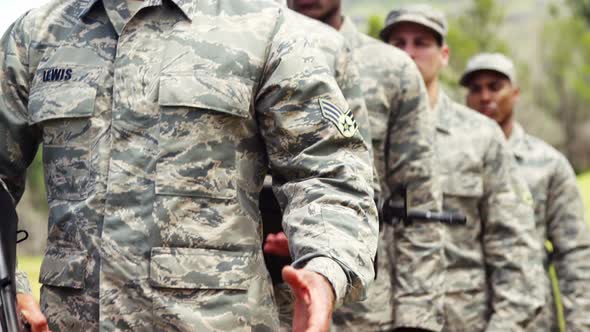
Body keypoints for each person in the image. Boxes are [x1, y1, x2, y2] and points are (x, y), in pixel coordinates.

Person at [0, 0, 379, 331]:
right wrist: (9, 288)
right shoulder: (37, 36)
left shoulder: (263, 29)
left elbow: (330, 170)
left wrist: (325, 267)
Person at [263, 1, 444, 331]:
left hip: (366, 307)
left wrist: (417, 319)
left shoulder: (393, 69)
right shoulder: (251, 49)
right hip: (268, 298)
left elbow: (418, 201)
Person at [381, 4, 545, 331]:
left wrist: (505, 326)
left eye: (421, 42)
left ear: (443, 55)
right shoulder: (358, 131)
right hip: (371, 317)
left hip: (459, 319)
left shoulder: (481, 136)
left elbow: (515, 248)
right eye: (398, 44)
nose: (409, 53)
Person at [462, 52, 590, 332]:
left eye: (495, 86)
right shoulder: (449, 163)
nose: (485, 96)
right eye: (476, 89)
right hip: (465, 316)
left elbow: (574, 254)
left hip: (532, 318)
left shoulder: (548, 164)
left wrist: (580, 325)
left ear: (516, 93)